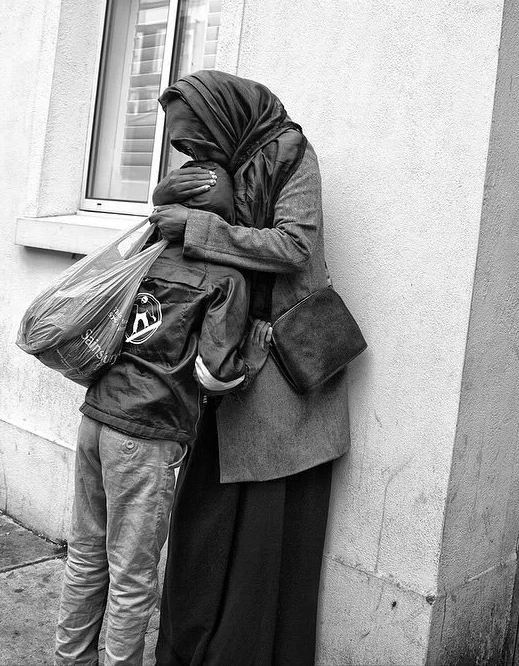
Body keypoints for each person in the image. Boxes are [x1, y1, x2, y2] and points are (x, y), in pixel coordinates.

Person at [149, 70, 351, 666]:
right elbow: (172, 217)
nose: (194, 157)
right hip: (222, 359)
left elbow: (294, 247)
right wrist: (176, 195)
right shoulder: (224, 166)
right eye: (185, 148)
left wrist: (200, 226)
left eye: (199, 144)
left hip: (280, 373)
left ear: (225, 121)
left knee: (265, 536)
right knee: (203, 526)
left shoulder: (292, 156)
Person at [54, 164, 271, 666]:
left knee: (86, 558)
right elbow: (214, 373)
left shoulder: (146, 256)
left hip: (97, 416)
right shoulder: (226, 276)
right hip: (147, 432)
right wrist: (252, 361)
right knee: (132, 576)